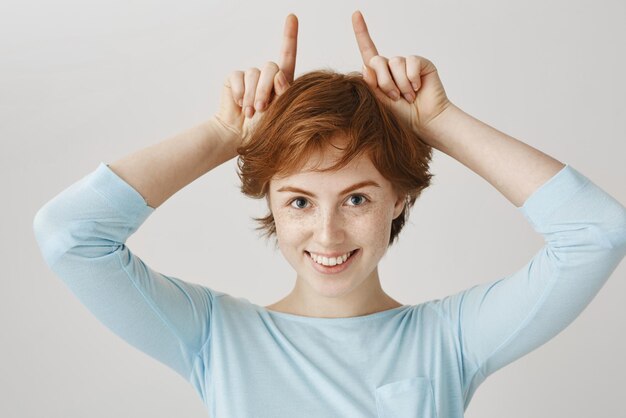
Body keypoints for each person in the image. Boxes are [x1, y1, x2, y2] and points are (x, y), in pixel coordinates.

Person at [32, 11, 626, 418]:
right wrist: (222, 134)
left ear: (401, 198)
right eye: (299, 200)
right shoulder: (214, 335)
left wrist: (437, 123)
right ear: (270, 202)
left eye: (358, 198)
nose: (327, 233)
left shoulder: (451, 339)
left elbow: (596, 234)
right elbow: (69, 236)